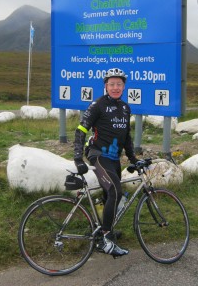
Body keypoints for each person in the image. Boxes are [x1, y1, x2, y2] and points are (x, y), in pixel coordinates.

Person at [73, 68, 138, 257]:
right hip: (98, 155)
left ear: (124, 86)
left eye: (119, 84)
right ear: (106, 86)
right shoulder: (98, 105)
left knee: (108, 196)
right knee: (115, 191)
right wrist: (78, 157)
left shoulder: (125, 108)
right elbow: (81, 129)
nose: (116, 87)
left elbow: (126, 137)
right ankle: (106, 238)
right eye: (112, 84)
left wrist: (134, 159)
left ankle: (102, 229)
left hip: (113, 158)